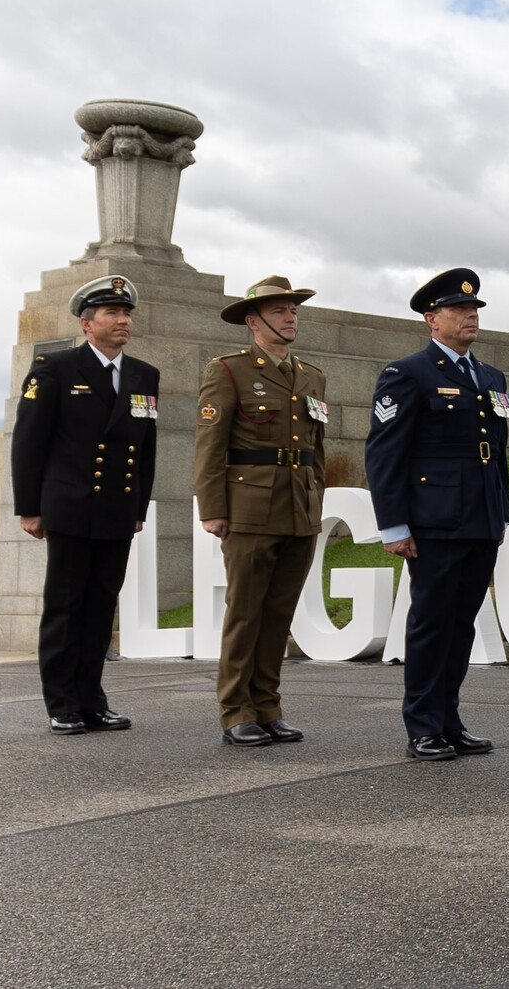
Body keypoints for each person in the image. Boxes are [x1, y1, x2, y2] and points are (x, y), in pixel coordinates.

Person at [364, 269, 509, 761]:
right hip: (433, 521)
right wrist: (393, 525)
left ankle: (450, 720)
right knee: (431, 623)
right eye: (459, 310)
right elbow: (385, 454)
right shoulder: (407, 373)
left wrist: (501, 513)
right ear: (432, 319)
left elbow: (498, 449)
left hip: (480, 519)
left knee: (462, 624)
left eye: (474, 309)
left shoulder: (490, 377)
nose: (471, 315)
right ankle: (422, 726)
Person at [11, 276, 160, 735]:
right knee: (66, 606)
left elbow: (146, 446)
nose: (123, 321)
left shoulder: (143, 375)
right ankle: (62, 703)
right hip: (71, 506)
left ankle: (93, 700)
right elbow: (29, 443)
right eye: (113, 313)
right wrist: (29, 508)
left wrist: (139, 507)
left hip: (117, 509)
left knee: (100, 607)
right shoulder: (54, 368)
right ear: (86, 323)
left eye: (127, 313)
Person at [194, 276, 327, 747]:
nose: (291, 317)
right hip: (249, 507)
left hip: (299, 507)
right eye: (280, 311)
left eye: (294, 310)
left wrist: (317, 500)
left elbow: (317, 449)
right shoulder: (227, 371)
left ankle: (268, 707)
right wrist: (213, 509)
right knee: (245, 613)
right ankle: (236, 711)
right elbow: (210, 446)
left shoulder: (311, 375)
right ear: (253, 322)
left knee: (279, 614)